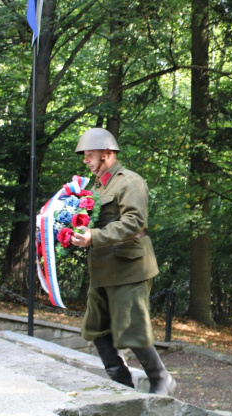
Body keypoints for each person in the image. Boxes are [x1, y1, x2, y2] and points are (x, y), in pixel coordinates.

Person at [70, 127, 176, 396]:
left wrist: (94, 236)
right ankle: (120, 382)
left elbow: (134, 222)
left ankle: (161, 379)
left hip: (130, 266)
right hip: (103, 268)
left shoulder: (130, 181)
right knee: (95, 327)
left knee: (131, 327)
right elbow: (92, 220)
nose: (85, 160)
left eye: (89, 154)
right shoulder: (94, 186)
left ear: (107, 153)